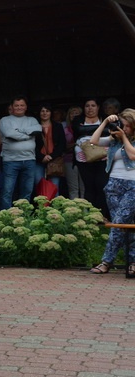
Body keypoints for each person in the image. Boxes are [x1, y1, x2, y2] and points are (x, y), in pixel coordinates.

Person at [88, 108, 135, 275]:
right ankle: (132, 262)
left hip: (132, 186)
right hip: (113, 185)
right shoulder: (113, 139)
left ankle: (106, 261)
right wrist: (105, 122)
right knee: (122, 226)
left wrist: (124, 138)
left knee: (119, 224)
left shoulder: (128, 140)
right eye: (122, 125)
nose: (124, 128)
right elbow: (93, 141)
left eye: (127, 126)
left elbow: (133, 156)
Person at [0, 96, 41, 210]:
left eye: (22, 105)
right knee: (8, 191)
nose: (19, 107)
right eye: (16, 105)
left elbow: (38, 130)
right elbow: (9, 134)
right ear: (12, 107)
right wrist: (28, 135)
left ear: (26, 107)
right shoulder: (5, 120)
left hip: (29, 160)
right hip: (10, 161)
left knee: (27, 190)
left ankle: (23, 215)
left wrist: (18, 132)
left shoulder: (32, 120)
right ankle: (5, 216)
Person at [72, 98, 110, 217]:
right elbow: (78, 130)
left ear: (98, 107)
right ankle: (90, 217)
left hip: (103, 157)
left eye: (93, 105)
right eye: (87, 106)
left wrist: (86, 130)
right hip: (83, 158)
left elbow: (110, 130)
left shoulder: (105, 118)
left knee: (101, 185)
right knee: (89, 187)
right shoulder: (78, 120)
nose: (90, 108)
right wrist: (101, 128)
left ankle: (102, 216)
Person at [33, 104, 66, 189]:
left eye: (47, 111)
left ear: (51, 113)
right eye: (42, 111)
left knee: (54, 186)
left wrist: (52, 156)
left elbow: (62, 144)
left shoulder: (58, 126)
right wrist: (42, 157)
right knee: (39, 185)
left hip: (54, 160)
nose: (45, 113)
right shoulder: (34, 127)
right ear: (39, 113)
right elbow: (32, 144)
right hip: (38, 160)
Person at [64, 106, 84, 199]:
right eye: (72, 113)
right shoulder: (65, 130)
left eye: (77, 113)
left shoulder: (85, 128)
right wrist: (75, 144)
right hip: (69, 160)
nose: (74, 115)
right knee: (73, 188)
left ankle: (85, 207)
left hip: (84, 160)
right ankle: (74, 208)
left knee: (84, 187)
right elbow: (62, 146)